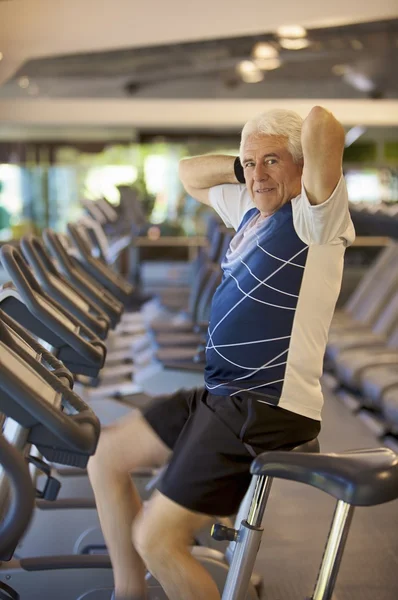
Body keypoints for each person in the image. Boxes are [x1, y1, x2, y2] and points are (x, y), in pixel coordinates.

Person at [88, 106, 355, 600]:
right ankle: (129, 593)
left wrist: (281, 152)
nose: (258, 174)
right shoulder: (250, 208)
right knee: (106, 455)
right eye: (250, 164)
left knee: (157, 538)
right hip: (222, 396)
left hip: (266, 406)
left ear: (302, 167)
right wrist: (249, 163)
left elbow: (322, 124)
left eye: (272, 162)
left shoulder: (316, 217)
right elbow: (189, 174)